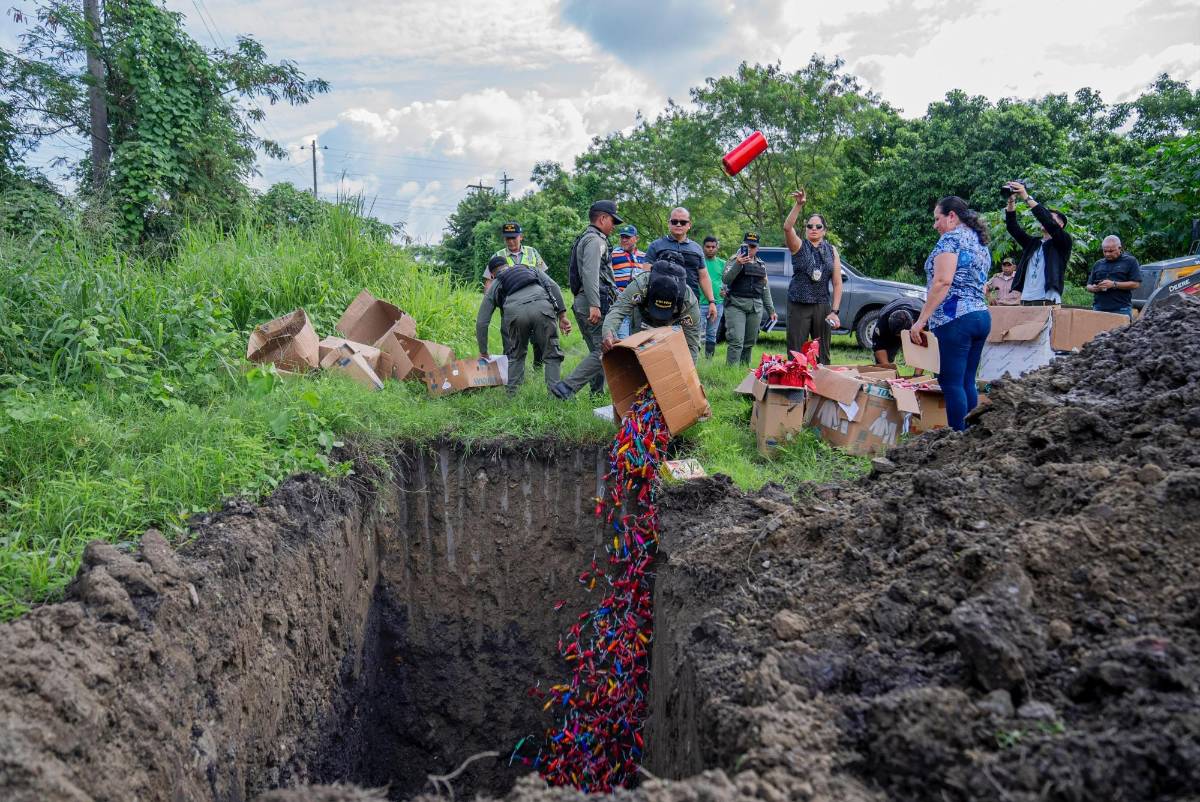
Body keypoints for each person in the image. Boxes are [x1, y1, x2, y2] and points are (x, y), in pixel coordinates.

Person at [909, 196, 992, 432]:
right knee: (967, 381)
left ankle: (957, 440)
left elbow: (942, 282)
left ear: (952, 216)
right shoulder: (979, 241)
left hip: (954, 319)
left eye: (938, 218)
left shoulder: (951, 239)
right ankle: (970, 436)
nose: (935, 225)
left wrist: (921, 321)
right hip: (981, 316)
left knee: (950, 381)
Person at [550, 200, 622, 400]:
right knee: (605, 350)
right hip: (592, 302)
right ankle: (566, 387)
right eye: (612, 221)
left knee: (598, 351)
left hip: (586, 301)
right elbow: (590, 273)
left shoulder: (587, 238)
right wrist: (595, 305)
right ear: (602, 219)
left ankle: (596, 394)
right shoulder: (595, 241)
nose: (614, 226)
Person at [476, 257, 572, 392]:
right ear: (508, 265)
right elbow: (554, 286)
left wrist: (484, 352)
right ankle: (555, 394)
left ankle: (512, 396)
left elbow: (482, 322)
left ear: (492, 275)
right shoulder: (530, 269)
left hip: (515, 314)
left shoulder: (496, 284)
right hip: (542, 308)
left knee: (516, 355)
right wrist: (562, 316)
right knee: (551, 354)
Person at [783, 189, 843, 364]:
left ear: (824, 231)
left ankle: (821, 388)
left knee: (822, 354)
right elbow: (787, 227)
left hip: (822, 305)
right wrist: (799, 204)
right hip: (799, 303)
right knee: (796, 354)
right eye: (810, 226)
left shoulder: (832, 251)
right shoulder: (800, 247)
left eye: (818, 226)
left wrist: (834, 312)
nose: (813, 229)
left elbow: (837, 283)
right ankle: (795, 389)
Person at [601, 259, 702, 362]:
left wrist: (688, 372)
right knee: (638, 352)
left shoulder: (688, 302)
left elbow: (692, 344)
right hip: (643, 316)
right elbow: (618, 309)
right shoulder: (641, 285)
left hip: (673, 320)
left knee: (666, 356)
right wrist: (608, 333)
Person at [643, 207, 719, 329]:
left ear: (689, 225)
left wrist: (712, 302)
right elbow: (645, 275)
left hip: (690, 304)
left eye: (683, 222)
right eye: (674, 221)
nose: (678, 224)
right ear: (669, 223)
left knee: (690, 344)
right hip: (661, 304)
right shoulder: (656, 245)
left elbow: (704, 277)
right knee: (660, 343)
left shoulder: (697, 248)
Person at [1003, 181, 1072, 306]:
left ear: (1061, 225)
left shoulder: (1063, 242)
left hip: (1048, 299)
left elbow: (1047, 221)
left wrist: (1025, 196)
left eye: (1051, 217)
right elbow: (1012, 227)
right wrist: (1011, 201)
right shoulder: (1033, 243)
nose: (1045, 219)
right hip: (1026, 298)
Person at [721, 232, 776, 366]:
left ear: (757, 248)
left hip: (755, 307)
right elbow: (726, 279)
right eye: (748, 245)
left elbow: (765, 288)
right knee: (736, 340)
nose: (750, 249)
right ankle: (731, 370)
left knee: (749, 342)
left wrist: (771, 310)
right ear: (743, 245)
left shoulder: (761, 264)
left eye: (753, 246)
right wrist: (738, 264)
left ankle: (744, 371)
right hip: (736, 305)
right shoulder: (734, 260)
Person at [1086, 235, 1141, 319]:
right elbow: (1088, 286)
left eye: (1111, 251)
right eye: (1105, 251)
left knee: (1120, 332)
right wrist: (1094, 288)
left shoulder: (1130, 261)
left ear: (1119, 248)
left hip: (1121, 309)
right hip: (1099, 308)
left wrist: (1113, 284)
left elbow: (1136, 284)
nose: (1107, 254)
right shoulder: (1098, 264)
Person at [484, 221, 547, 292]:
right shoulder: (497, 256)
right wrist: (489, 298)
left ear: (521, 237)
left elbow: (543, 275)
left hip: (533, 293)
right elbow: (489, 281)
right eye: (508, 238)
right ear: (504, 239)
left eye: (513, 238)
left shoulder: (532, 252)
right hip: (508, 296)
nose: (511, 241)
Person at [610, 224, 647, 339]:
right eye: (622, 237)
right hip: (621, 302)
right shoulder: (613, 254)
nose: (624, 240)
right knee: (623, 339)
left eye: (628, 237)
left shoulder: (644, 256)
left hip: (639, 305)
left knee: (638, 338)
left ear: (636, 238)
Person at [870, 298, 923, 368]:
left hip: (917, 308)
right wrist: (888, 368)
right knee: (884, 363)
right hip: (890, 311)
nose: (901, 338)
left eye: (902, 335)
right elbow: (878, 346)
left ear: (913, 322)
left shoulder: (922, 319)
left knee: (920, 345)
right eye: (899, 335)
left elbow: (923, 352)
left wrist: (917, 376)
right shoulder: (883, 322)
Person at [700, 236, 725, 358]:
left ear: (717, 247)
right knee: (695, 332)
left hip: (718, 304)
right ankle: (693, 360)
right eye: (708, 247)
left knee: (711, 333)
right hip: (699, 303)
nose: (710, 249)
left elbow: (728, 281)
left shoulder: (722, 264)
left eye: (713, 247)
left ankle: (708, 360)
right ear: (703, 247)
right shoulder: (699, 262)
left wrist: (726, 291)